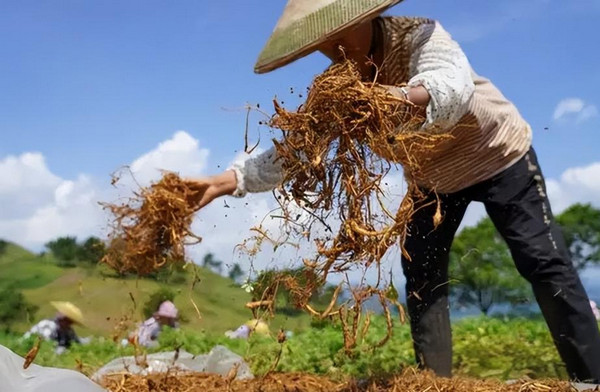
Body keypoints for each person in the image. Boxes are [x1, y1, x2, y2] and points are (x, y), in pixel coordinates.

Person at [185, 0, 600, 382]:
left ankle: (590, 378)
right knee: (421, 275)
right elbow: (297, 150)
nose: (335, 48)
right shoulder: (337, 87)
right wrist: (226, 182)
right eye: (322, 42)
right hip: (430, 178)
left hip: (496, 154)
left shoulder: (418, 35)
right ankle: (432, 384)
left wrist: (390, 98)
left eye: (342, 31)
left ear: (367, 17)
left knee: (543, 261)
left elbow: (451, 87)